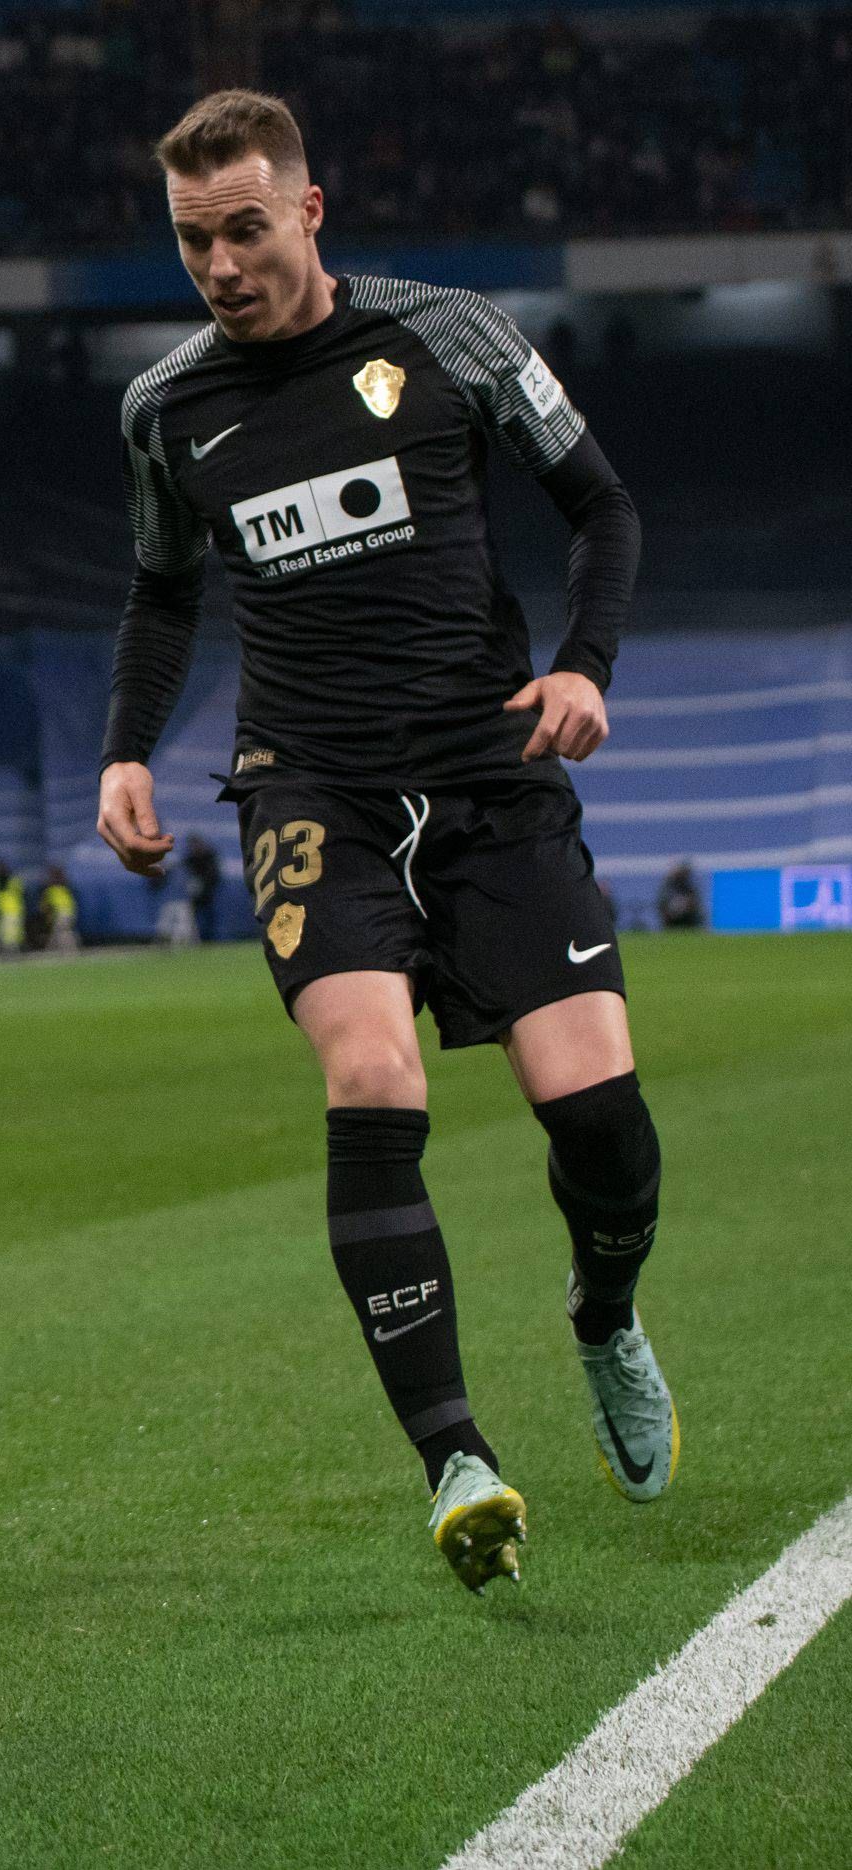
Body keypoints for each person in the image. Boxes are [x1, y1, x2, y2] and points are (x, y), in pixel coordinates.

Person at [95, 91, 661, 1594]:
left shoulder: (451, 337)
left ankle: (604, 1315)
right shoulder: (167, 407)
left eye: (244, 228)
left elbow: (599, 504)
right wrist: (125, 751)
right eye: (192, 237)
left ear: (310, 211)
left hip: (492, 775)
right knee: (368, 1069)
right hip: (309, 790)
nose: (219, 263)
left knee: (594, 1112)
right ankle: (457, 1457)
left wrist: (586, 659)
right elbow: (163, 593)